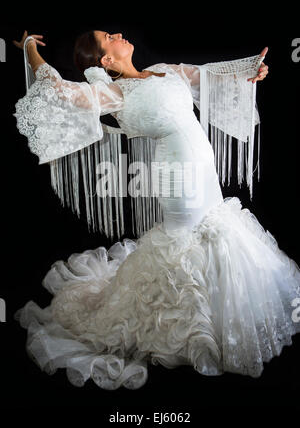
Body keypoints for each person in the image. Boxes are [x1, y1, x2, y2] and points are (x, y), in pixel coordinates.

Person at [12, 30, 300, 390]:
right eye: (108, 36)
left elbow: (207, 76)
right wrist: (28, 50)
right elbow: (60, 91)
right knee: (191, 238)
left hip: (203, 170)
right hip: (178, 177)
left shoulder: (164, 69)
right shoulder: (113, 94)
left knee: (214, 228)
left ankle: (220, 315)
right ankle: (193, 326)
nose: (118, 33)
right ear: (106, 61)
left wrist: (249, 72)